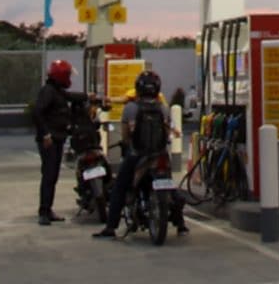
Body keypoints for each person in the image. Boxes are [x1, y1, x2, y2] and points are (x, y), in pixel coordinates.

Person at [92, 70, 188, 238]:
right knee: (170, 185)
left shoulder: (130, 108)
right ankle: (181, 225)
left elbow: (125, 136)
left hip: (137, 155)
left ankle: (110, 228)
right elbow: (167, 133)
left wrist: (129, 144)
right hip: (160, 155)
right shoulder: (164, 108)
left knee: (119, 187)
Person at [33, 59, 88, 226]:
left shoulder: (56, 90)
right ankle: (43, 211)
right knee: (49, 175)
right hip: (50, 140)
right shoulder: (48, 92)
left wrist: (90, 96)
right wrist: (46, 134)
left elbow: (70, 96)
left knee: (53, 175)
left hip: (57, 138)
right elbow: (38, 113)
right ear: (62, 76)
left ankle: (48, 209)